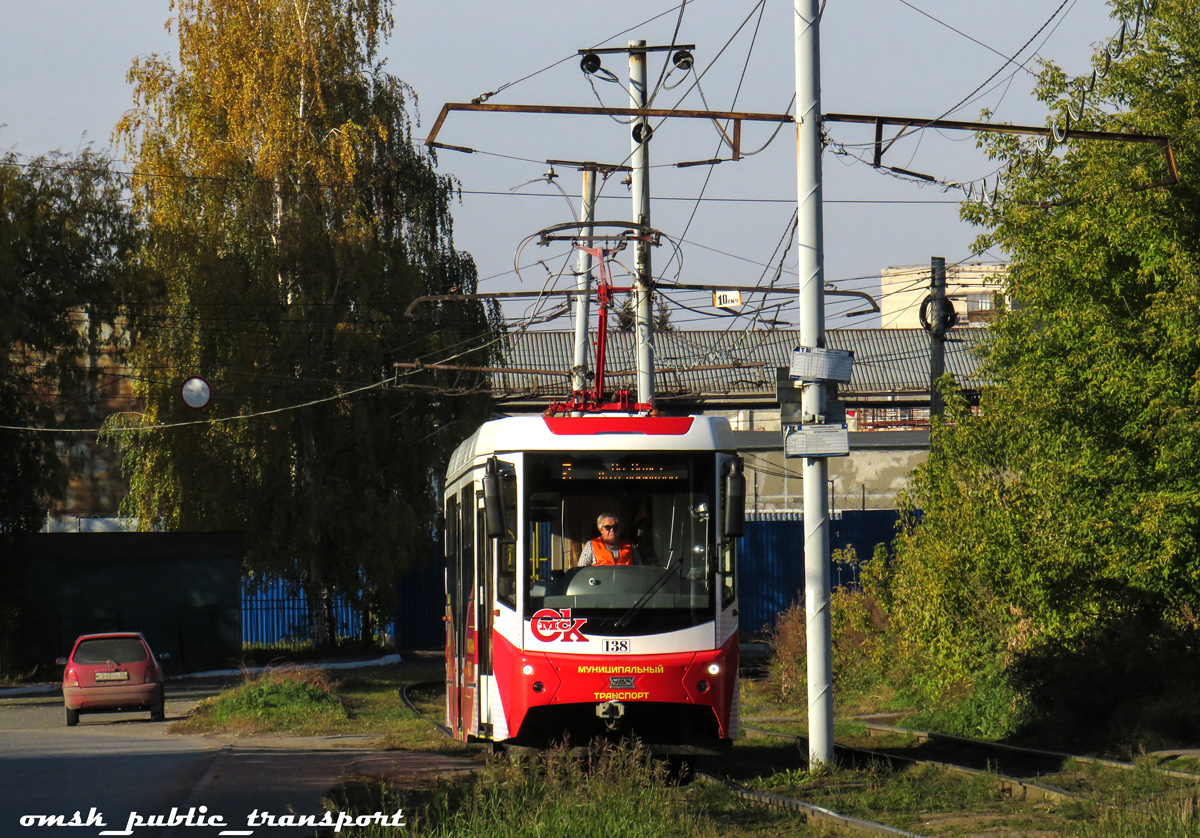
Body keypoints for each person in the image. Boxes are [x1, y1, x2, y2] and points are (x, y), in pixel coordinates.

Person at [577, 513, 641, 566]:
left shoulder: (630, 545)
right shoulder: (591, 545)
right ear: (601, 530)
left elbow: (640, 568)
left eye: (615, 527)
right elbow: (581, 568)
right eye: (608, 527)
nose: (612, 530)